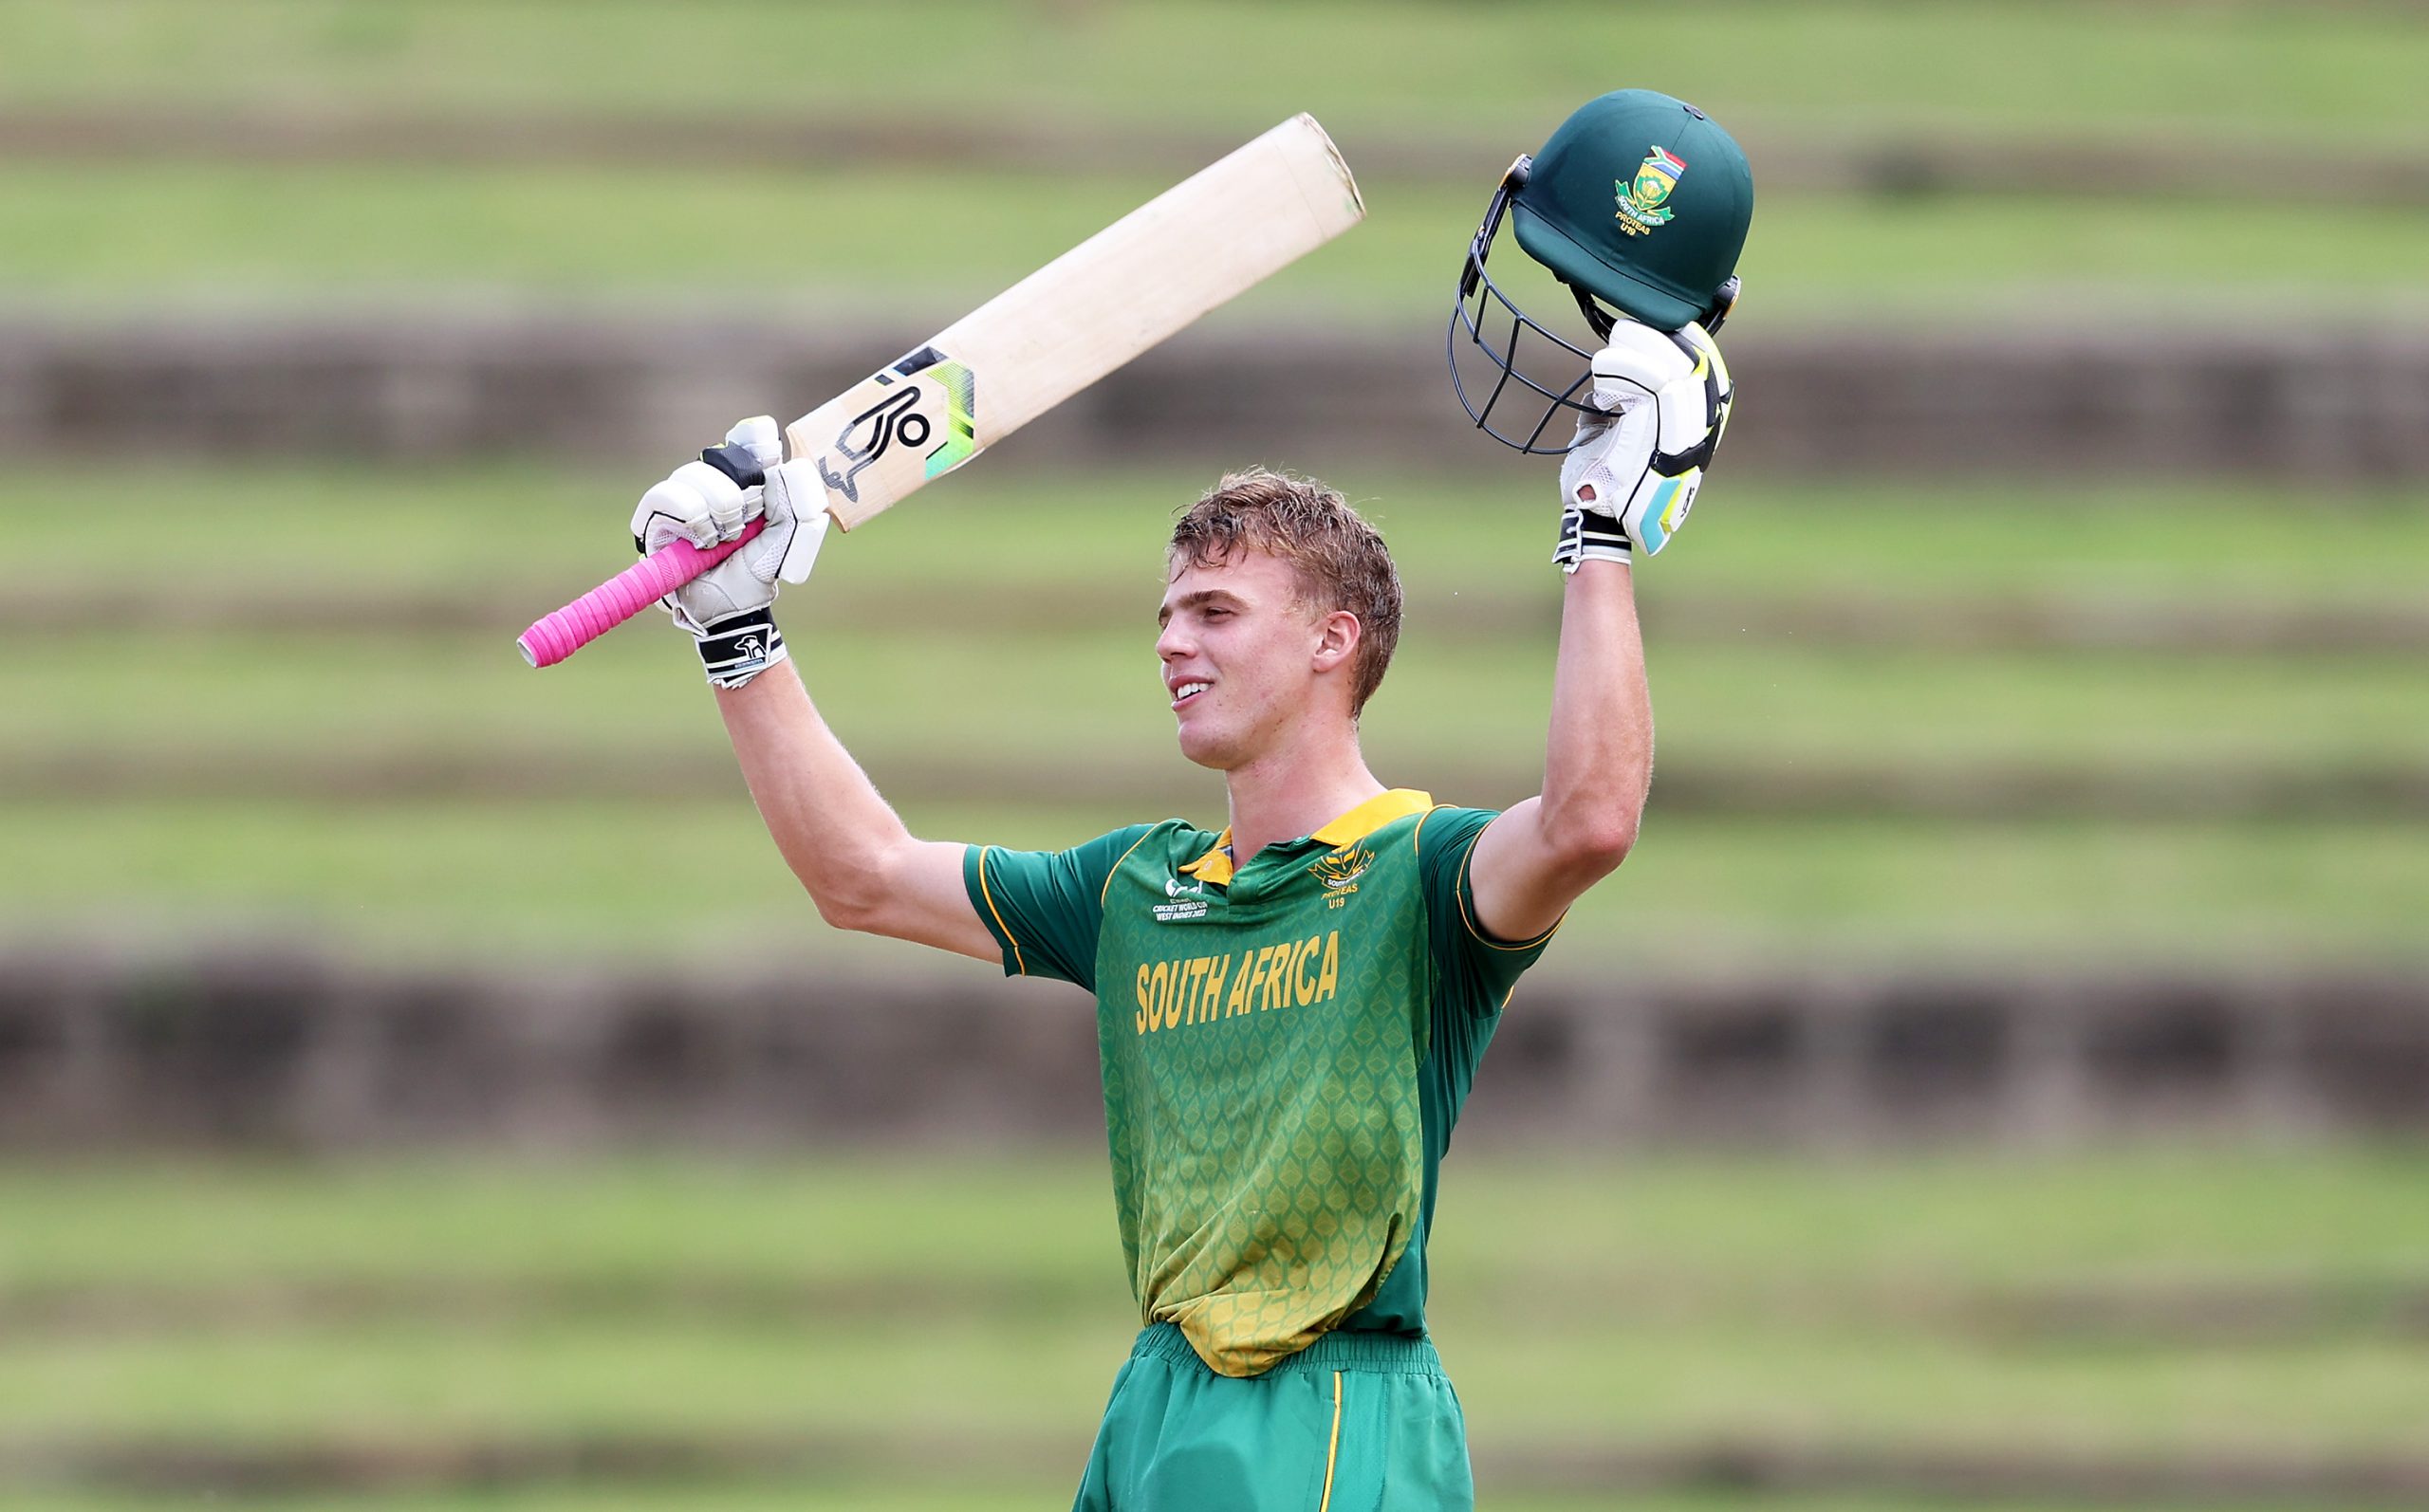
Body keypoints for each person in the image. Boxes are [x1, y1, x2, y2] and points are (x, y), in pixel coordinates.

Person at [626, 86, 1743, 1512]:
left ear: (1334, 640)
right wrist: (739, 633)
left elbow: (1588, 820)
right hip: (1155, 1396)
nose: (1171, 642)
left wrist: (1599, 536)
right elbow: (861, 875)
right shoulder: (1134, 887)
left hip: (1330, 1403)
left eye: (1215, 612)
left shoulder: (1424, 878)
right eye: (1166, 613)